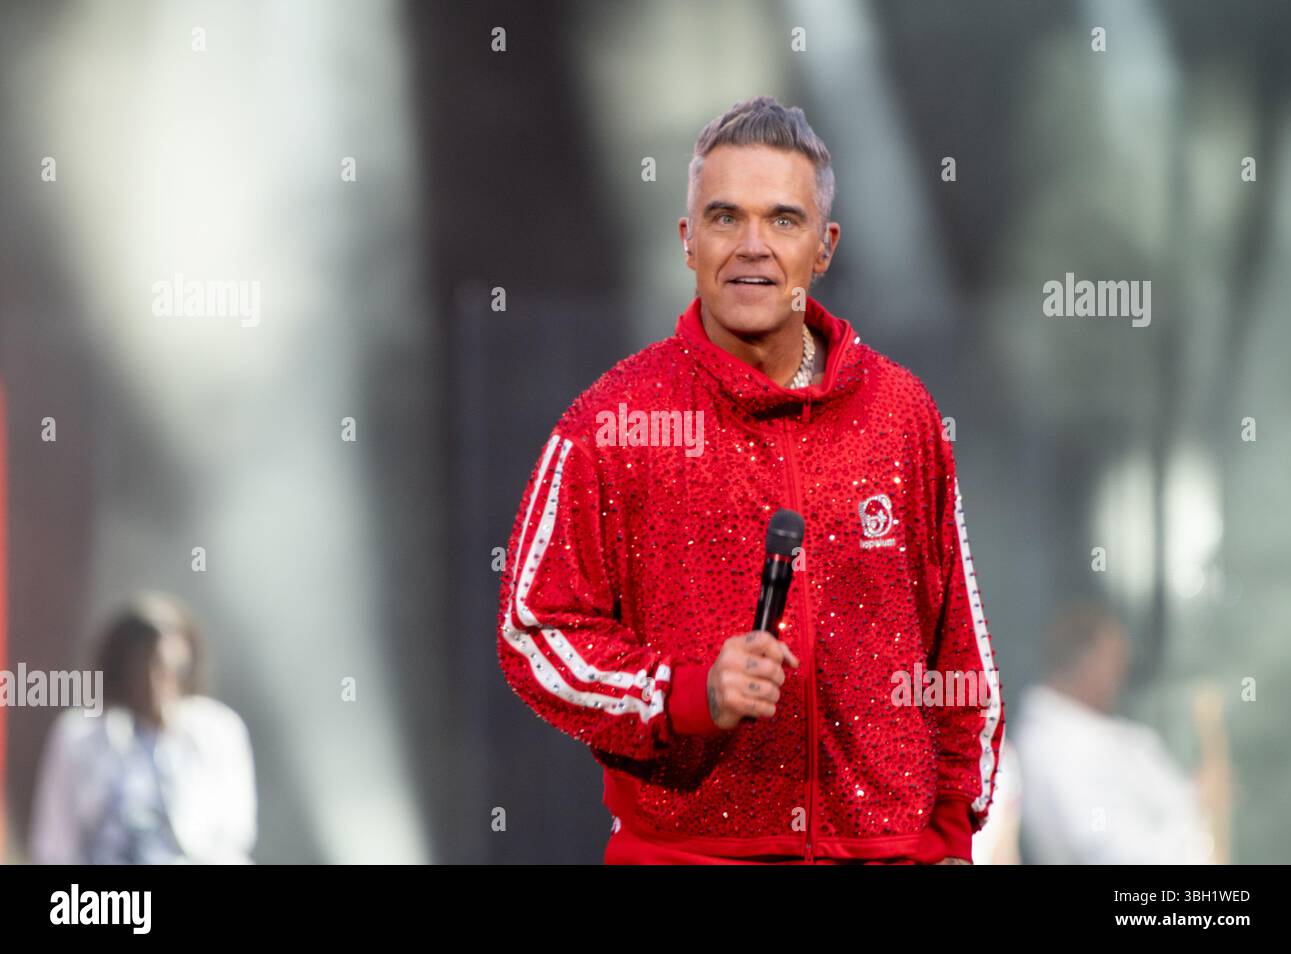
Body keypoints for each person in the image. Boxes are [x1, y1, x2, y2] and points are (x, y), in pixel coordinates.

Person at [497, 95, 1004, 864]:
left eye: (784, 220)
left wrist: (947, 835)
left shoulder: (902, 415)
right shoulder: (614, 422)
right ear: (687, 240)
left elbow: (959, 658)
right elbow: (534, 634)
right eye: (726, 218)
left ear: (824, 247)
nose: (753, 247)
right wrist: (684, 693)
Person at [29, 593, 256, 864]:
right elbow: (53, 842)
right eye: (141, 667)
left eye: (167, 668)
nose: (154, 682)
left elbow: (235, 835)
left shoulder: (217, 730)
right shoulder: (79, 734)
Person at [1014, 602, 1230, 864]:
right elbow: (1108, 853)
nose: (1122, 674)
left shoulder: (1085, 734)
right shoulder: (1060, 748)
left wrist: (1199, 799)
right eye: (1114, 661)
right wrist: (1199, 811)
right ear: (1086, 664)